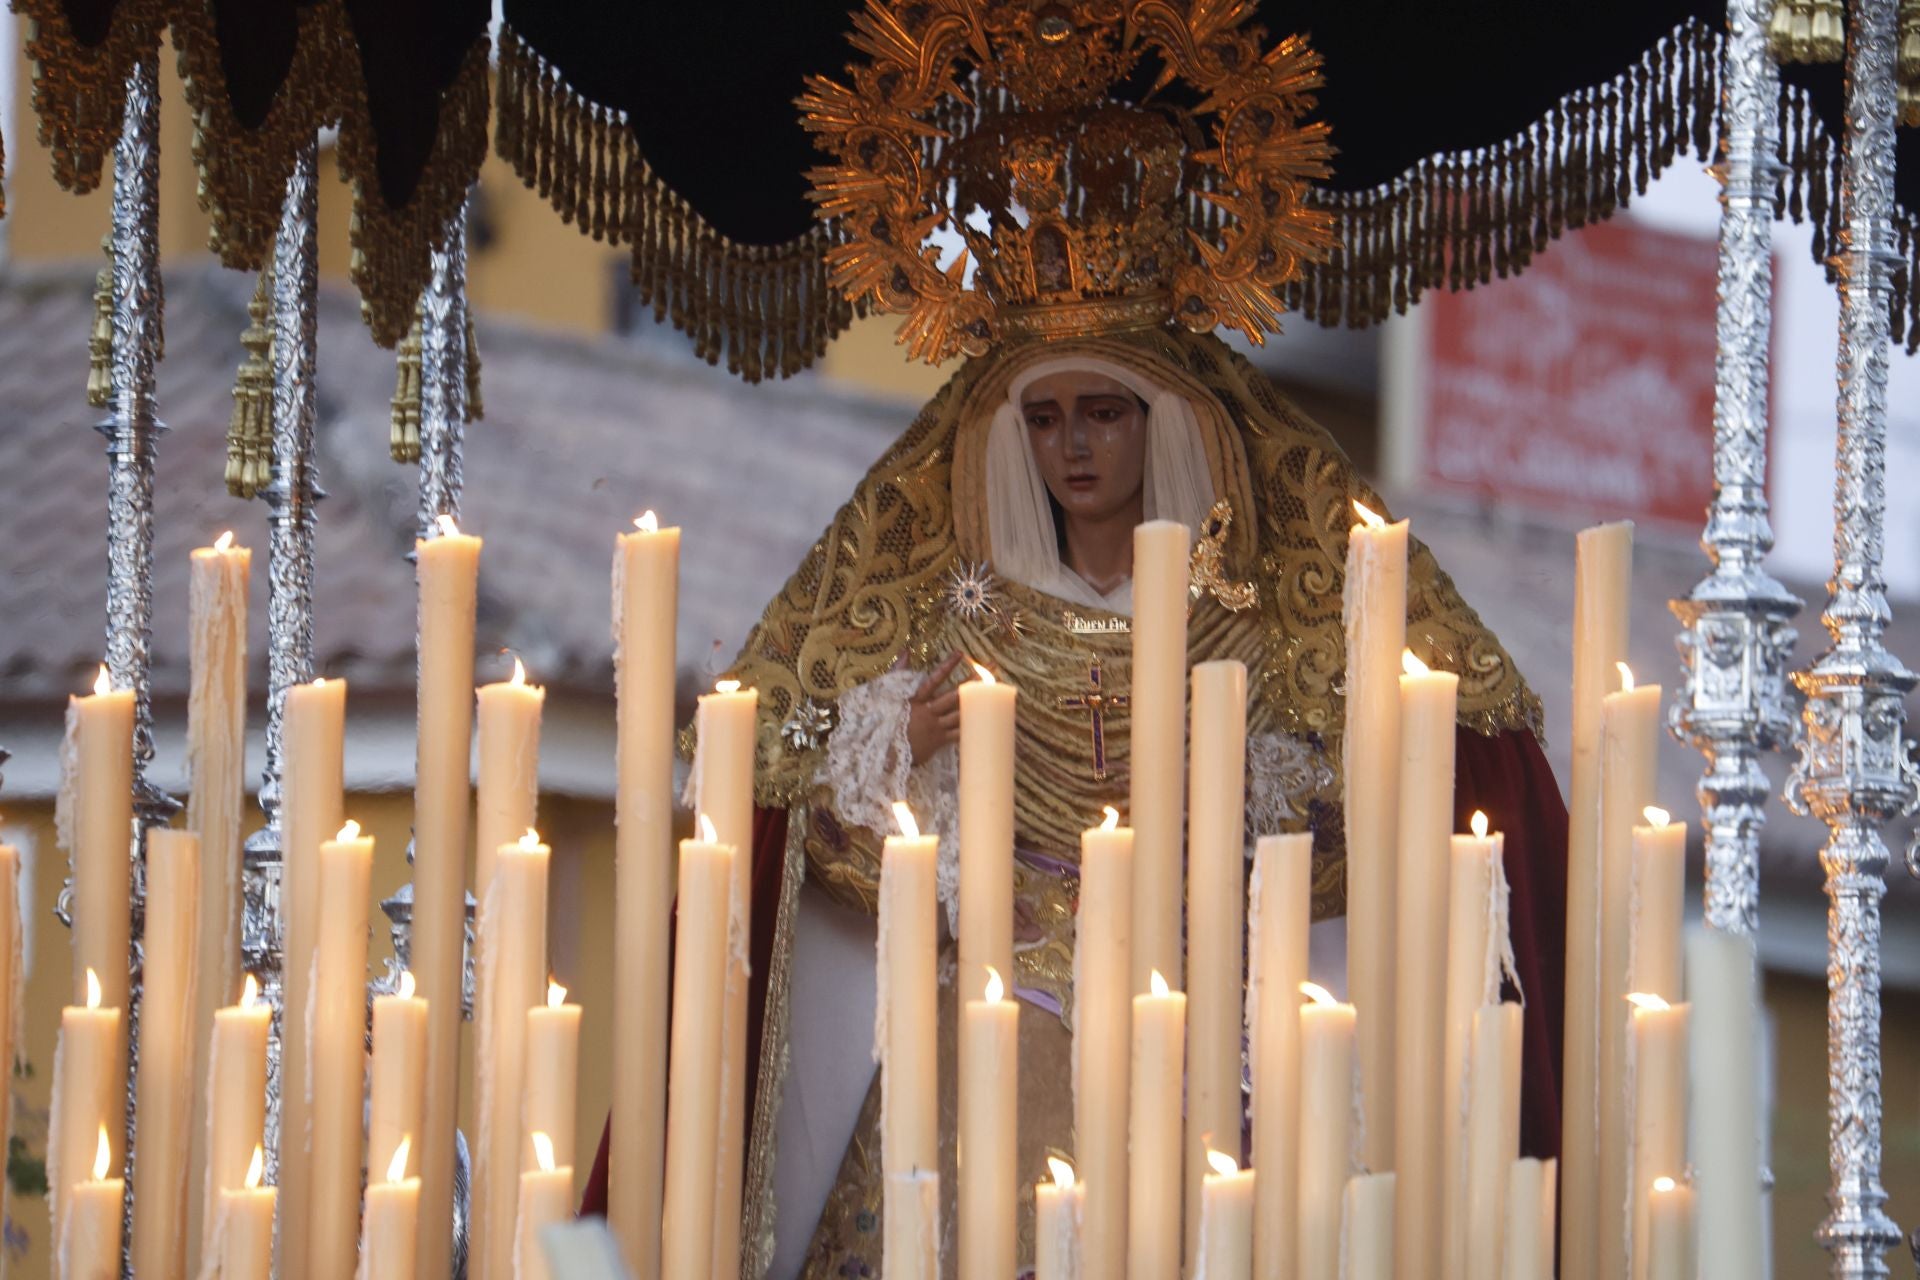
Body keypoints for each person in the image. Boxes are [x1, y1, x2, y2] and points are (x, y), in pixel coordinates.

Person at [581, 4, 1568, 1274]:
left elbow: (1360, 838)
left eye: (1105, 410)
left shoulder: (1257, 630)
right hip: (981, 1057)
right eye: (1046, 419)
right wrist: (892, 752)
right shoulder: (955, 619)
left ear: (1165, 420)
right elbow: (806, 839)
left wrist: (1298, 807)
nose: (1077, 448)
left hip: (1200, 1068)